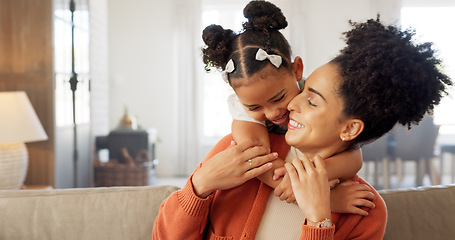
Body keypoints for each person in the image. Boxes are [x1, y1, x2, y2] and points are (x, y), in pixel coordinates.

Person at [153, 10, 452, 240]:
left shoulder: (363, 210)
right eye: (304, 90)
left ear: (349, 129)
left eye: (311, 100)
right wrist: (199, 186)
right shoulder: (238, 157)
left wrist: (320, 218)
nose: (290, 105)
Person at [201, 0, 363, 204]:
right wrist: (327, 198)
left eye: (278, 98)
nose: (271, 114)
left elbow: (354, 156)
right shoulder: (242, 114)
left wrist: (316, 176)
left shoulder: (313, 94)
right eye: (254, 107)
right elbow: (259, 163)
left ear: (297, 70)